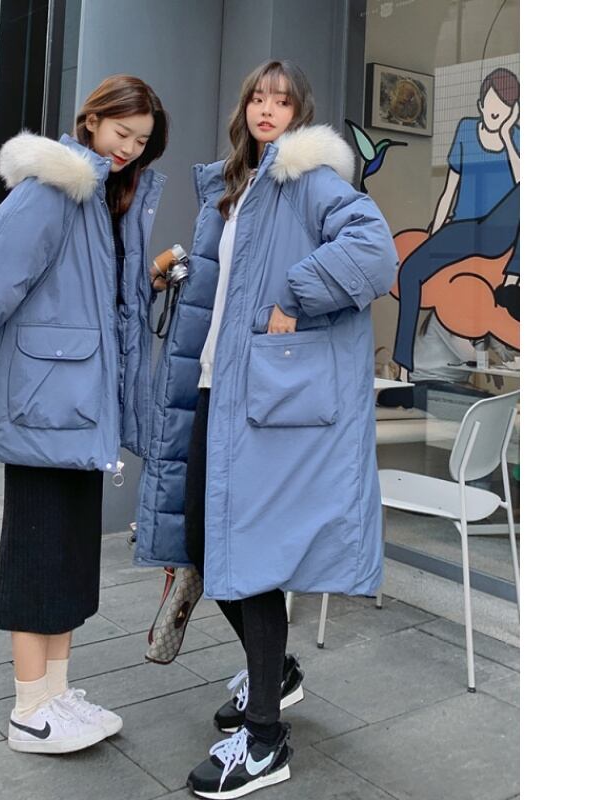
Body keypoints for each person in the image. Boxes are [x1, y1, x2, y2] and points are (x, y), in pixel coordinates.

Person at [133, 60, 397, 797]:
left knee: (246, 554)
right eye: (257, 96)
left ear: (299, 113)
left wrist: (295, 294)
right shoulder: (233, 187)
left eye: (282, 100)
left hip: (265, 399)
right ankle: (272, 671)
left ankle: (263, 742)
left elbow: (375, 251)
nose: (267, 108)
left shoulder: (307, 178)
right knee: (201, 541)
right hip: (216, 386)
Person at [0, 75, 169, 755]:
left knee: (69, 560)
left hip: (79, 408)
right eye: (121, 133)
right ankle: (30, 710)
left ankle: (57, 694)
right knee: (36, 555)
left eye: (142, 141)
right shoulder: (55, 189)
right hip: (44, 406)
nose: (129, 148)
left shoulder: (109, 200)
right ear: (91, 121)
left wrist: (151, 278)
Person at [393, 67, 520, 371]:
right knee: (409, 272)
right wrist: (432, 237)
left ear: (513, 111)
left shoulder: (517, 138)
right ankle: (403, 367)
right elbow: (450, 189)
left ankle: (513, 278)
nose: (497, 112)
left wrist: (507, 136)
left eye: (505, 108)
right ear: (481, 105)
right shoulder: (466, 130)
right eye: (492, 106)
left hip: (500, 229)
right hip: (464, 228)